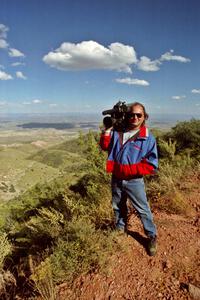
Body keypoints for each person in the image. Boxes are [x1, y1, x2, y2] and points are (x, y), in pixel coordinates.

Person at [100, 102, 158, 256]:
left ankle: (151, 236)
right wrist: (108, 129)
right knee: (118, 206)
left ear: (144, 117)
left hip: (134, 181)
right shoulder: (118, 132)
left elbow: (151, 165)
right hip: (117, 178)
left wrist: (130, 170)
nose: (135, 117)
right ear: (127, 115)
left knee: (143, 209)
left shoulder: (147, 138)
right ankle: (120, 230)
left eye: (139, 115)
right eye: (132, 114)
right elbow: (104, 146)